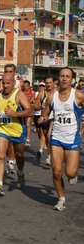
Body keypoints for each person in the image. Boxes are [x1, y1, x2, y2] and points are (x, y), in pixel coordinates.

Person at [37, 67, 84, 211]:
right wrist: (42, 118)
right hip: (56, 137)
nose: (64, 78)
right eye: (62, 76)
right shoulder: (52, 97)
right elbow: (46, 113)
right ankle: (61, 199)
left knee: (70, 173)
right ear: (59, 78)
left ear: (72, 79)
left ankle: (72, 175)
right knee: (56, 172)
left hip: (72, 139)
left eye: (67, 76)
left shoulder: (78, 96)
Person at [0, 72, 33, 196]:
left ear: (14, 83)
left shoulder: (19, 95)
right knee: (0, 155)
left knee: (19, 154)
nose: (6, 85)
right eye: (3, 83)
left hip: (17, 130)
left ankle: (20, 173)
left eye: (8, 83)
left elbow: (30, 112)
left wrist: (14, 114)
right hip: (2, 129)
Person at [0, 64, 19, 174]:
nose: (8, 73)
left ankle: (12, 160)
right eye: (6, 71)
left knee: (13, 145)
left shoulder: (20, 84)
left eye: (11, 71)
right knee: (3, 144)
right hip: (2, 119)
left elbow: (26, 101)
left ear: (15, 72)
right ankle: (6, 162)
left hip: (16, 119)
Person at [34, 76, 56, 165]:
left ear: (54, 83)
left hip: (54, 118)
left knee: (48, 136)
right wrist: (41, 106)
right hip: (44, 117)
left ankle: (49, 156)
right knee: (42, 135)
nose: (48, 85)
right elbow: (35, 106)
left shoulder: (57, 93)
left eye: (50, 83)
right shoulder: (42, 94)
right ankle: (44, 151)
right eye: (47, 83)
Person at [22, 80, 35, 147]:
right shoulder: (21, 92)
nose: (25, 87)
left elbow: (31, 101)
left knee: (28, 124)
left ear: (29, 86)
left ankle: (27, 140)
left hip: (29, 111)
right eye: (24, 86)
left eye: (27, 86)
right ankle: (22, 138)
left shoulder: (32, 92)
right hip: (22, 110)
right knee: (22, 124)